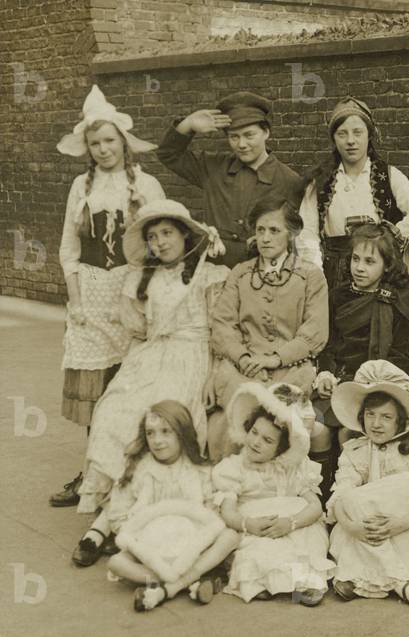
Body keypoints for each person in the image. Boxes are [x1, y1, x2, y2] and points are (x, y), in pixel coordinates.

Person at [52, 85, 166, 509]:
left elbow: (164, 242)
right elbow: (68, 249)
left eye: (109, 141)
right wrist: (76, 301)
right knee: (95, 390)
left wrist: (148, 293)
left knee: (131, 386)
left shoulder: (147, 184)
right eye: (95, 143)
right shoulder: (80, 187)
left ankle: (133, 474)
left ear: (123, 142)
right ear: (88, 147)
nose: (103, 149)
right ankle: (93, 474)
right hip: (93, 293)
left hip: (133, 290)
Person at [77, 200, 229, 515]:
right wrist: (129, 373)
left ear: (185, 235)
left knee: (162, 417)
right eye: (153, 237)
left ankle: (150, 504)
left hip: (191, 359)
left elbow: (220, 332)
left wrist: (215, 374)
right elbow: (136, 332)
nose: (160, 242)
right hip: (151, 356)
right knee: (113, 410)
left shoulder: (209, 275)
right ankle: (115, 505)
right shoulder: (143, 278)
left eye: (167, 233)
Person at [326, 361, 409, 611]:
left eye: (386, 417)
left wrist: (402, 523)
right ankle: (401, 584)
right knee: (344, 521)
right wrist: (352, 527)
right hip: (364, 524)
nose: (376, 424)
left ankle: (357, 578)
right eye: (370, 415)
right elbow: (342, 497)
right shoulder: (354, 452)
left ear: (400, 421)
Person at [208, 197, 329, 461]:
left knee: (281, 422)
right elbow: (222, 324)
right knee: (236, 419)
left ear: (291, 234)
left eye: (274, 230)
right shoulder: (240, 274)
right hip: (243, 368)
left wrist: (276, 358)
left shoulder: (310, 276)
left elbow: (315, 331)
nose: (265, 238)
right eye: (260, 230)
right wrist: (242, 357)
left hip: (290, 369)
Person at [312, 223, 409, 497]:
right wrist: (326, 373)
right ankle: (325, 494)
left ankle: (362, 495)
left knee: (349, 434)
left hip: (381, 384)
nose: (359, 267)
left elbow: (403, 356)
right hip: (342, 381)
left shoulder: (400, 300)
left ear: (386, 266)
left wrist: (369, 384)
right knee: (316, 427)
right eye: (355, 259)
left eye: (369, 261)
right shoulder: (338, 296)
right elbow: (327, 345)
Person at [101, 400, 239, 612]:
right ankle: (187, 582)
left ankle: (167, 588)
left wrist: (207, 515)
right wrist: (140, 530)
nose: (157, 441)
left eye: (166, 432)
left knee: (229, 537)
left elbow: (211, 512)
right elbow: (118, 517)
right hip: (151, 542)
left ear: (182, 433)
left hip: (191, 540)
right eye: (150, 433)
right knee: (116, 563)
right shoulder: (138, 469)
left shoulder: (198, 469)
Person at [213, 382, 335, 606]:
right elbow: (228, 511)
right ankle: (262, 582)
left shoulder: (294, 467)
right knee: (256, 547)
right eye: (254, 433)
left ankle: (302, 583)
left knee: (307, 539)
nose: (256, 442)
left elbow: (315, 506)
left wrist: (291, 523)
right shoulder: (235, 467)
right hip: (255, 523)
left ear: (282, 448)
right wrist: (247, 524)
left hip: (291, 522)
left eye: (267, 440)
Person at [297, 97, 409, 287]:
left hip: (380, 270)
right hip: (334, 273)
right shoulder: (320, 182)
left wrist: (388, 238)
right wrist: (316, 276)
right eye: (342, 134)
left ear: (369, 135)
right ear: (333, 139)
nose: (350, 141)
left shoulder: (387, 176)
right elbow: (307, 234)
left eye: (358, 132)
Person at [156, 91, 305, 266]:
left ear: (266, 133)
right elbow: (168, 154)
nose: (241, 144)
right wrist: (188, 124)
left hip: (263, 277)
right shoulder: (212, 168)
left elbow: (297, 238)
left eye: (249, 135)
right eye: (234, 137)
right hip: (214, 271)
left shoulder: (290, 181)